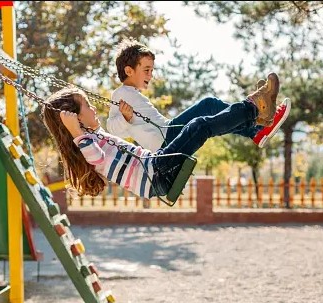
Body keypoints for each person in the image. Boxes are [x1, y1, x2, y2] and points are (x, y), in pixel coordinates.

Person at [42, 76, 285, 199]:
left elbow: (112, 145)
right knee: (199, 126)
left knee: (199, 123)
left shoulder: (91, 136)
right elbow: (97, 157)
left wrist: (125, 119)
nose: (93, 108)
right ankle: (254, 108)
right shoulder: (86, 144)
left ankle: (257, 119)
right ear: (76, 119)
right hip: (155, 173)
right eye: (86, 106)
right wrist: (74, 131)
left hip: (155, 166)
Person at [106, 38, 291, 151]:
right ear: (129, 71)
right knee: (209, 105)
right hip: (166, 138)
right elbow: (112, 129)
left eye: (152, 70)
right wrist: (125, 117)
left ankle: (257, 130)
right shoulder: (120, 93)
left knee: (211, 115)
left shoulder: (131, 93)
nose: (150, 75)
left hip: (167, 133)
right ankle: (258, 125)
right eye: (146, 69)